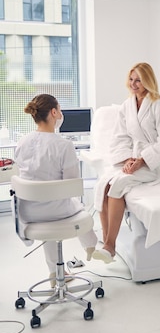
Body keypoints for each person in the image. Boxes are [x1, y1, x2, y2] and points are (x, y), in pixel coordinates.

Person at [92, 62, 160, 263]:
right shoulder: (126, 106)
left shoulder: (159, 106)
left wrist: (142, 160)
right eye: (131, 79)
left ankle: (110, 246)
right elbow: (119, 138)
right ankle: (106, 242)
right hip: (133, 158)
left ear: (148, 81)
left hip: (155, 163)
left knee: (118, 184)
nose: (133, 84)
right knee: (104, 184)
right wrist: (128, 158)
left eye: (138, 80)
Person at [15, 94, 98, 281]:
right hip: (56, 212)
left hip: (27, 212)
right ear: (54, 112)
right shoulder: (64, 145)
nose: (61, 113)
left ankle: (54, 271)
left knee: (54, 205)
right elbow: (72, 186)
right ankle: (91, 246)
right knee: (75, 205)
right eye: (60, 110)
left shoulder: (22, 142)